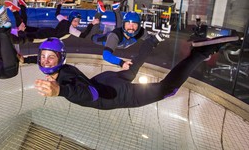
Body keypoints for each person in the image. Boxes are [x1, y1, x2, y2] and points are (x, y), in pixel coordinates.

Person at [29, 34, 239, 110]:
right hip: (105, 80)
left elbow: (89, 95)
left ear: (60, 59)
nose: (45, 61)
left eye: (51, 57)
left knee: (168, 89)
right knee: (132, 68)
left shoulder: (63, 82)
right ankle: (151, 41)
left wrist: (61, 92)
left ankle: (200, 54)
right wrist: (26, 58)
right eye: (43, 57)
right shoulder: (62, 69)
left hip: (110, 95)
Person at [92, 2, 167, 70]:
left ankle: (116, 9)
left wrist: (157, 38)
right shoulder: (114, 36)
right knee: (93, 37)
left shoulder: (141, 32)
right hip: (107, 40)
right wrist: (121, 63)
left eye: (134, 24)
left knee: (119, 29)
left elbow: (150, 39)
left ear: (139, 26)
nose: (131, 27)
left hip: (121, 38)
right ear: (124, 24)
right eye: (128, 24)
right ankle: (99, 12)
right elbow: (106, 55)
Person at [4, 0, 101, 43]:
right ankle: (17, 11)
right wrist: (92, 23)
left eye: (78, 21)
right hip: (44, 35)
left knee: (23, 27)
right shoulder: (70, 28)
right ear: (71, 19)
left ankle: (22, 8)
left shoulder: (63, 19)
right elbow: (84, 35)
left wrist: (59, 5)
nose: (77, 23)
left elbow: (57, 14)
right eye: (75, 21)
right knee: (22, 33)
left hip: (45, 30)